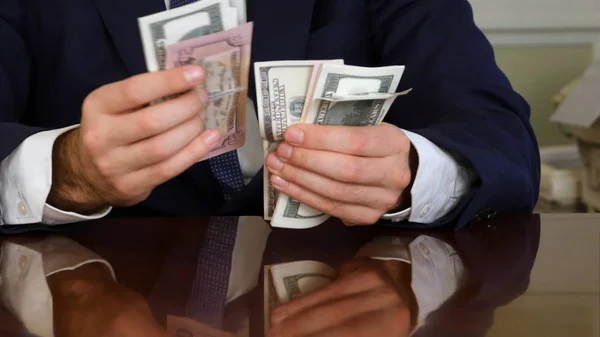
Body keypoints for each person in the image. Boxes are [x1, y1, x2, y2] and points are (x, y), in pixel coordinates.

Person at [0, 0, 540, 230]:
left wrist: (412, 175)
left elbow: (500, 141)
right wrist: (65, 170)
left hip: (339, 291)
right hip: (92, 291)